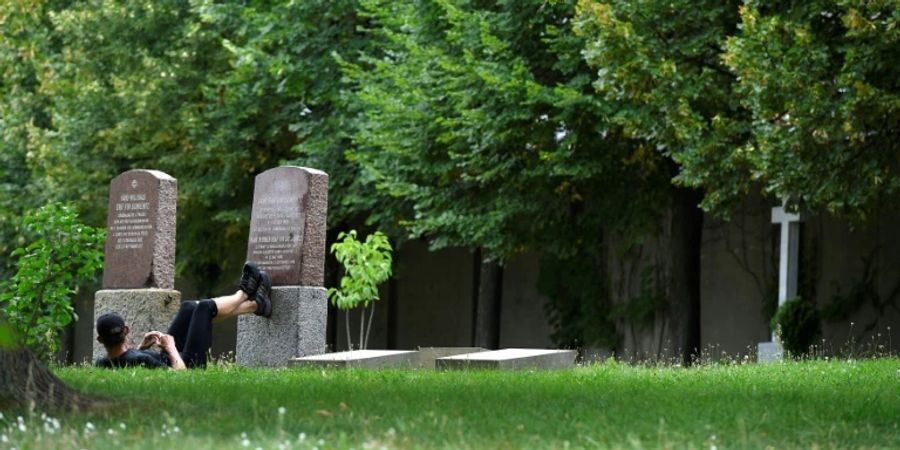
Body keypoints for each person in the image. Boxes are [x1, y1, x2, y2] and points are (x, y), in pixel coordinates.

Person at [95, 261, 272, 370]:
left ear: (100, 340)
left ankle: (254, 306)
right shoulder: (139, 359)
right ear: (127, 330)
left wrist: (141, 348)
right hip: (189, 363)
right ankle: (243, 294)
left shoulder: (102, 364)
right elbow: (180, 374)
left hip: (169, 358)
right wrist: (170, 347)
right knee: (204, 307)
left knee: (188, 307)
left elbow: (127, 360)